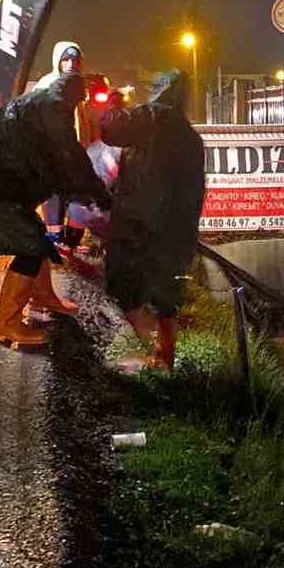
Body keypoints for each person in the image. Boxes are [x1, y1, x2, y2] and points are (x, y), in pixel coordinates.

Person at [0, 73, 112, 348]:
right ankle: (7, 324)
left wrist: (86, 191)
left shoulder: (42, 102)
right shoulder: (53, 107)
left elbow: (53, 160)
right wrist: (100, 194)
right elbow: (68, 154)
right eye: (82, 101)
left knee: (36, 238)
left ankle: (43, 296)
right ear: (75, 96)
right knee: (31, 245)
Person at [95, 69, 206, 370]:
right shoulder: (190, 136)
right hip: (175, 229)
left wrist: (112, 105)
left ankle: (145, 344)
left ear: (160, 91)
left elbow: (111, 130)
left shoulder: (152, 116)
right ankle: (165, 355)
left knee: (120, 281)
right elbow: (196, 190)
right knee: (166, 293)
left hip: (137, 222)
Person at [36, 40, 97, 252]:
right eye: (66, 59)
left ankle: (71, 241)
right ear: (58, 61)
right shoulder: (47, 84)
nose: (71, 63)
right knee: (55, 194)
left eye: (75, 60)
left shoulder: (78, 86)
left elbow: (83, 121)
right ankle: (54, 237)